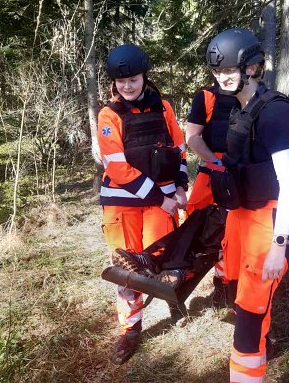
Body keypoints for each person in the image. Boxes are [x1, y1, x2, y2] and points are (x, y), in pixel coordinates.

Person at [206, 28, 289, 382]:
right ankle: (260, 346)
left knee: (248, 312)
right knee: (241, 298)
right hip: (245, 215)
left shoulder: (273, 113)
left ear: (253, 67)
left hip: (270, 221)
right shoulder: (240, 108)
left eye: (231, 69)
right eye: (218, 72)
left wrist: (280, 245)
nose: (224, 77)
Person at [97, 43, 188, 365]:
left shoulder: (163, 107)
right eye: (122, 82)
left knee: (160, 259)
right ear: (114, 83)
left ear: (144, 76)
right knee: (126, 269)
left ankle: (171, 298)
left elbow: (179, 149)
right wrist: (161, 197)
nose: (128, 86)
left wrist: (179, 185)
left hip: (160, 202)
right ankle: (131, 329)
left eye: (133, 79)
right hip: (123, 204)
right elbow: (117, 167)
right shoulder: (109, 114)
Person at [185, 82, 239, 295]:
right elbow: (193, 137)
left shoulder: (256, 96)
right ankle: (184, 274)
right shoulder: (206, 97)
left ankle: (225, 282)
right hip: (210, 173)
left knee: (232, 231)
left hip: (238, 174)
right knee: (197, 224)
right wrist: (216, 163)